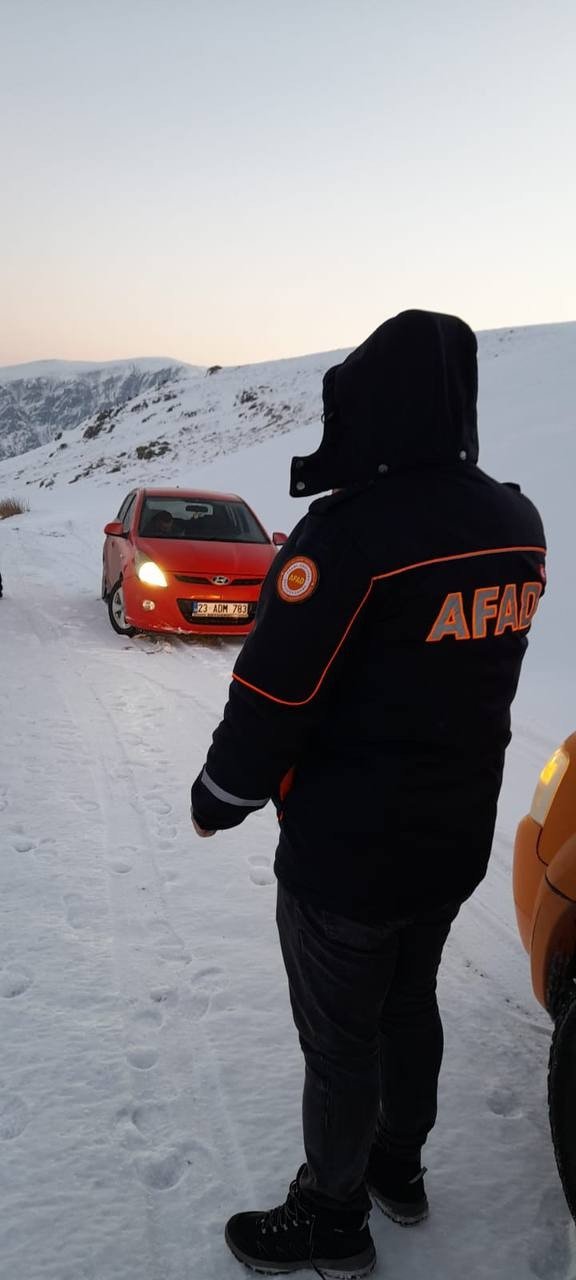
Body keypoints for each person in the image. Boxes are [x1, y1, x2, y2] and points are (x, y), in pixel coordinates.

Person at [190, 309, 546, 1278]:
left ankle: (333, 1213)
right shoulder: (517, 522)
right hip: (453, 835)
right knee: (410, 999)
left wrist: (221, 792)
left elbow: (274, 691)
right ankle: (399, 1166)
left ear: (370, 407)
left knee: (341, 1035)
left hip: (349, 854)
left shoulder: (349, 536)